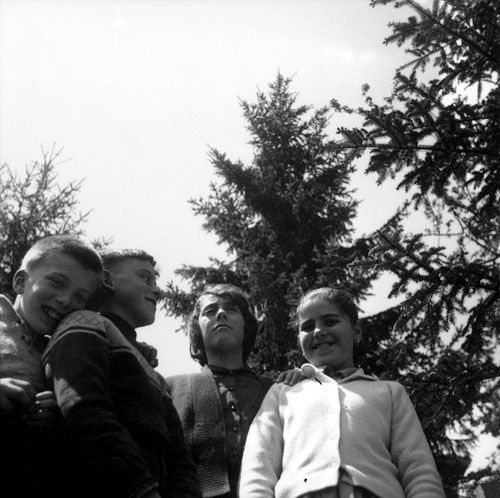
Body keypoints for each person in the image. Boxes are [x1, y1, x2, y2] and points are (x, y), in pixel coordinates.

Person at [239, 287, 446, 498]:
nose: (318, 331)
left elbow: (418, 468)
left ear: (356, 331)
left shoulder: (389, 392)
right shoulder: (283, 393)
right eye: (308, 326)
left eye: (330, 322)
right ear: (299, 342)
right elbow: (258, 469)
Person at [42, 248, 201, 498]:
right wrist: (142, 490)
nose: (157, 291)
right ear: (107, 280)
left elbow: (180, 454)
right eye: (145, 278)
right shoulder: (83, 323)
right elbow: (84, 411)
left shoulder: (151, 369)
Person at [1, 234, 103, 497]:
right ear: (20, 282)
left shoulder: (59, 349)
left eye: (80, 297)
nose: (66, 300)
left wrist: (53, 415)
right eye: (57, 282)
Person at [166, 284, 274, 498]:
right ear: (197, 328)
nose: (221, 314)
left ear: (246, 324)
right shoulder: (170, 388)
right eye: (210, 310)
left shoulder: (277, 390)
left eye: (231, 309)